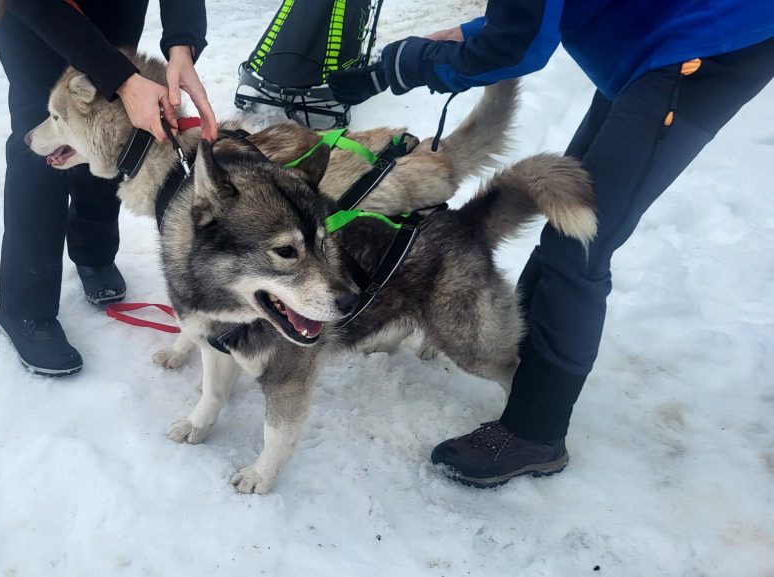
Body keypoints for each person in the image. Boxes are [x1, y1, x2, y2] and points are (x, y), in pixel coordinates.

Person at [329, 1, 774, 488]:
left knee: (582, 248)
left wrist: (401, 65)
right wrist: (468, 33)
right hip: (648, 36)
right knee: (568, 216)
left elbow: (515, 44)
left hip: (699, 44)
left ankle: (535, 432)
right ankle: (524, 361)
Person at [0, 0, 218, 376]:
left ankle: (94, 250)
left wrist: (182, 45)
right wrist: (121, 78)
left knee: (106, 121)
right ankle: (26, 306)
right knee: (41, 130)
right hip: (34, 10)